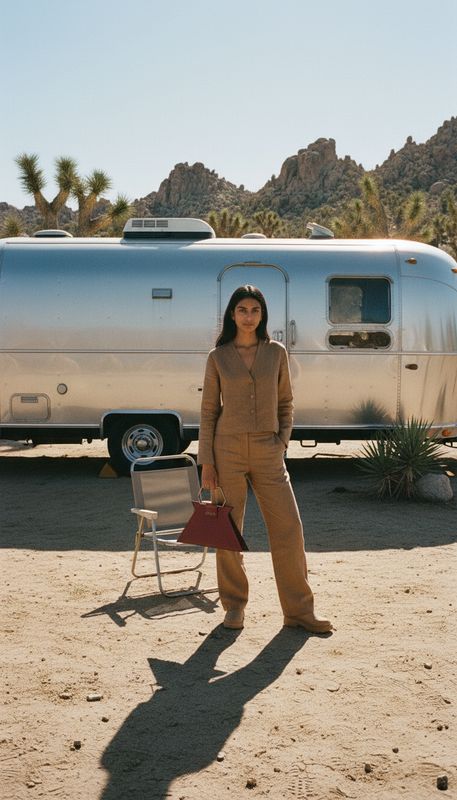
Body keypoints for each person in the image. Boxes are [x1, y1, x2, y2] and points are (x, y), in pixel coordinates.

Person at [198, 284, 332, 633]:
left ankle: (299, 612)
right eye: (242, 310)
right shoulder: (218, 357)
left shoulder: (276, 353)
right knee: (227, 533)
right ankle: (233, 608)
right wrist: (206, 462)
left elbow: (286, 401)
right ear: (232, 314)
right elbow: (209, 411)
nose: (248, 316)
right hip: (226, 451)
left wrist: (281, 442)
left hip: (268, 450)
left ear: (262, 315)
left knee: (289, 529)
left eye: (254, 310)